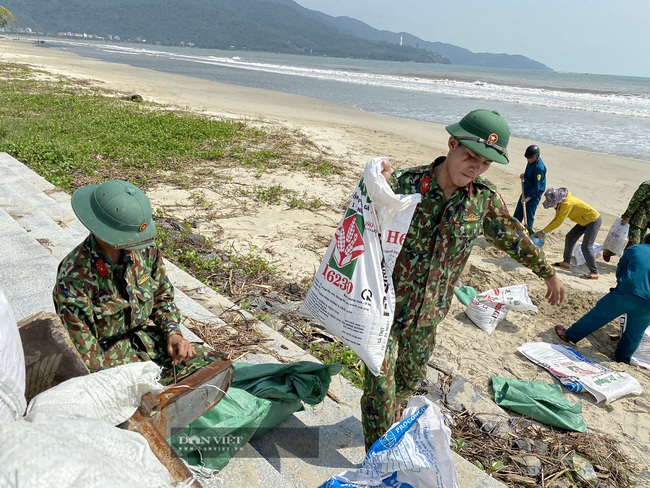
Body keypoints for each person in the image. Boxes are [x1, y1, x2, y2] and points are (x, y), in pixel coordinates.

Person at [363, 109, 566, 449]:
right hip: (383, 309)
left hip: (427, 318)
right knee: (379, 389)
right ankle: (377, 458)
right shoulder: (404, 184)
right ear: (452, 144)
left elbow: (514, 237)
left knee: (406, 383)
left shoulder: (481, 199)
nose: (475, 167)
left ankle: (387, 436)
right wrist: (374, 178)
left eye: (485, 163)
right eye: (470, 156)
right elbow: (362, 213)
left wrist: (549, 273)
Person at [53, 179, 221, 385]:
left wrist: (173, 333)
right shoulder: (75, 278)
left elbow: (161, 296)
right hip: (110, 365)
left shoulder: (144, 250)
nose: (137, 242)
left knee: (210, 365)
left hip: (147, 344)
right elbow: (86, 355)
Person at [555, 234, 650, 363]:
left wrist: (621, 285)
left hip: (628, 291)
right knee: (636, 331)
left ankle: (569, 336)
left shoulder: (635, 249)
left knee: (599, 315)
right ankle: (622, 358)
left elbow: (621, 270)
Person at [534, 187, 602, 280]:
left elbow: (558, 222)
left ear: (557, 200)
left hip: (593, 221)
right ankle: (566, 262)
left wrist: (543, 231)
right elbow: (556, 218)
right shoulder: (561, 204)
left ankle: (594, 272)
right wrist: (544, 231)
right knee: (570, 237)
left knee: (586, 246)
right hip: (584, 221)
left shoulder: (566, 204)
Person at [603, 180, 650, 262]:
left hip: (646, 221)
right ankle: (623, 262)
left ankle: (611, 252)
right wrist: (626, 217)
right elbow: (635, 201)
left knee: (640, 244)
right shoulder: (647, 185)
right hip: (637, 219)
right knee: (634, 243)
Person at [513, 144, 546, 233]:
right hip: (526, 189)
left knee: (529, 215)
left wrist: (527, 198)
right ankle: (514, 231)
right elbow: (529, 171)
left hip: (534, 194)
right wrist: (525, 175)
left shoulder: (539, 168)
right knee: (518, 212)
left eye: (530, 158)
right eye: (527, 158)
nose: (528, 160)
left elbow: (537, 187)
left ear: (536, 156)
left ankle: (527, 234)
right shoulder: (531, 160)